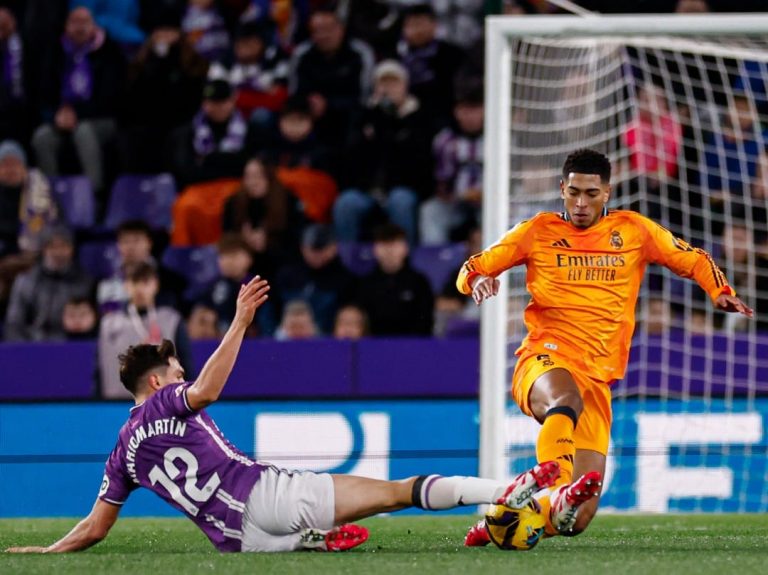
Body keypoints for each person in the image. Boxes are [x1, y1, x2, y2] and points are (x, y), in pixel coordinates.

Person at [4, 274, 563, 553]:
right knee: (399, 490)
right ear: (155, 381)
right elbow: (207, 391)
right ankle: (508, 488)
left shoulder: (123, 449)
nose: (181, 377)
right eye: (175, 371)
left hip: (236, 539)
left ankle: (312, 540)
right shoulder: (167, 400)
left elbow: (97, 527)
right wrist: (241, 322)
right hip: (265, 494)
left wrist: (48, 551)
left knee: (324, 525)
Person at [457, 149, 753, 544]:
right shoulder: (537, 231)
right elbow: (473, 265)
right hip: (545, 358)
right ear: (562, 189)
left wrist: (720, 290)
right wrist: (477, 280)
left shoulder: (634, 231)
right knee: (565, 400)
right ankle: (553, 482)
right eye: (574, 192)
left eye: (591, 194)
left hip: (597, 378)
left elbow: (692, 258)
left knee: (576, 520)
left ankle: (498, 524)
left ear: (607, 192)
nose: (581, 203)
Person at [98, 261, 193, 399]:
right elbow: (100, 369)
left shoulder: (171, 320)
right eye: (134, 282)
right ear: (126, 285)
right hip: (117, 403)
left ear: (156, 284)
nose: (140, 288)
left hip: (164, 404)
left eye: (145, 282)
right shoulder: (109, 324)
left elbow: (186, 366)